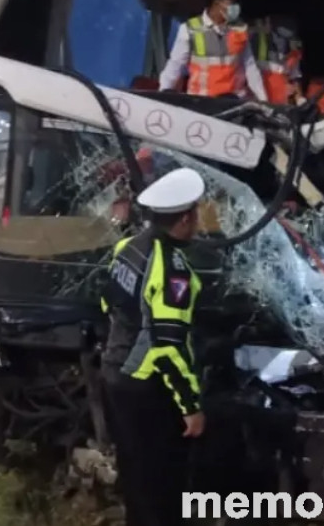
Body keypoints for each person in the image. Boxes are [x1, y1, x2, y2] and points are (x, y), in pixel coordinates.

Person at [99, 167, 207, 526]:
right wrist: (190, 407)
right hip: (146, 388)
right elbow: (167, 347)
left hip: (114, 374)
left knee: (136, 477)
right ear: (185, 219)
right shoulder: (172, 270)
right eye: (196, 215)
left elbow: (107, 302)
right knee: (163, 485)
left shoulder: (127, 247)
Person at [158, 0, 267, 100]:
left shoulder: (239, 29)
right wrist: (162, 94)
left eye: (237, 2)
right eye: (231, 1)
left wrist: (263, 100)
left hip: (234, 102)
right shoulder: (190, 30)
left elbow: (250, 67)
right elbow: (175, 66)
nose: (235, 7)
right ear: (216, 2)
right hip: (201, 102)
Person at [250, 15, 304, 104]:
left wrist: (300, 99)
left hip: (282, 103)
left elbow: (295, 77)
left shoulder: (294, 53)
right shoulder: (256, 44)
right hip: (261, 101)